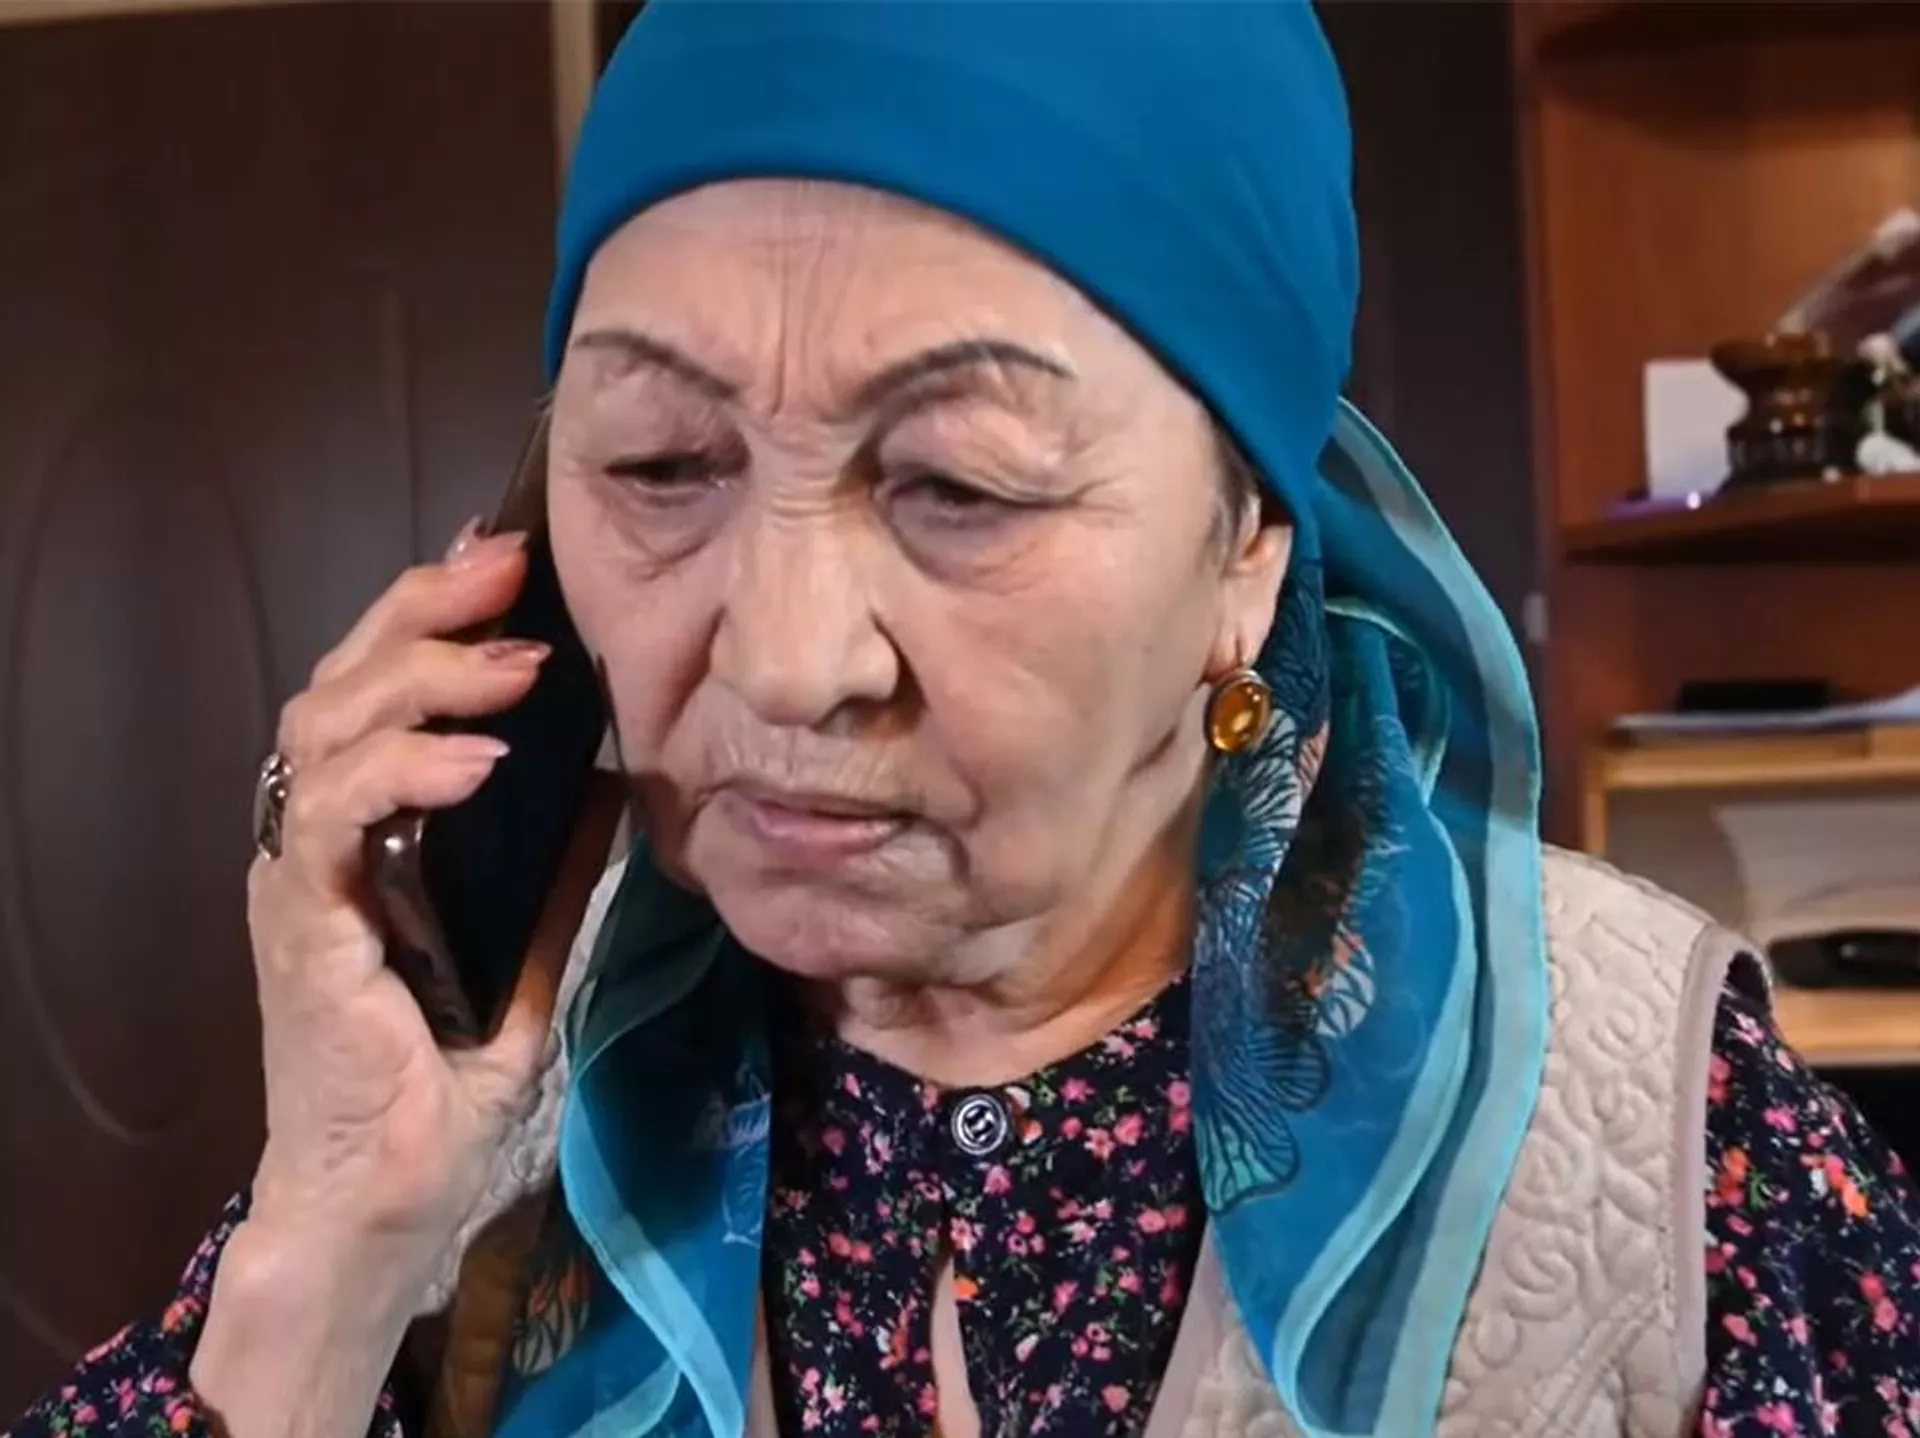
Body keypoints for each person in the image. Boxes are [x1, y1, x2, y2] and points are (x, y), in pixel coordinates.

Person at [11, 4, 1920, 1437]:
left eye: (961, 485)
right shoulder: (492, 1083)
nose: (785, 660)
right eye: (660, 463)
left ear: (1249, 549)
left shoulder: (1665, 1138)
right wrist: (327, 1241)